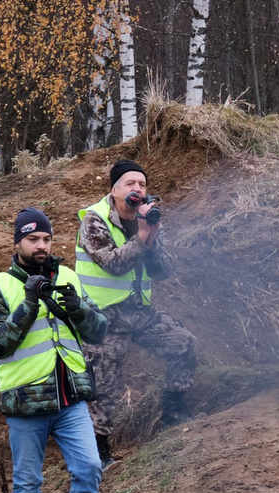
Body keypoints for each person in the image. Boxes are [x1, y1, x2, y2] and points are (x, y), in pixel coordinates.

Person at [0, 208, 109, 493]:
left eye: (46, 239)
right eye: (33, 240)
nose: (41, 246)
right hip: (26, 405)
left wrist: (78, 307)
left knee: (89, 467)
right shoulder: (1, 285)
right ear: (17, 243)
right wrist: (27, 303)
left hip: (70, 398)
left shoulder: (69, 277)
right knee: (26, 484)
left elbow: (99, 332)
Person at [76, 158, 196, 438]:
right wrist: (141, 238)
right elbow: (114, 266)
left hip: (139, 310)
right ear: (115, 190)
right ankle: (100, 449)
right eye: (130, 183)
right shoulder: (94, 220)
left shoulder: (147, 219)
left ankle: (172, 414)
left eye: (142, 184)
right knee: (104, 381)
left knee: (184, 343)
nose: (138, 189)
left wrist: (151, 239)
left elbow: (163, 271)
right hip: (103, 316)